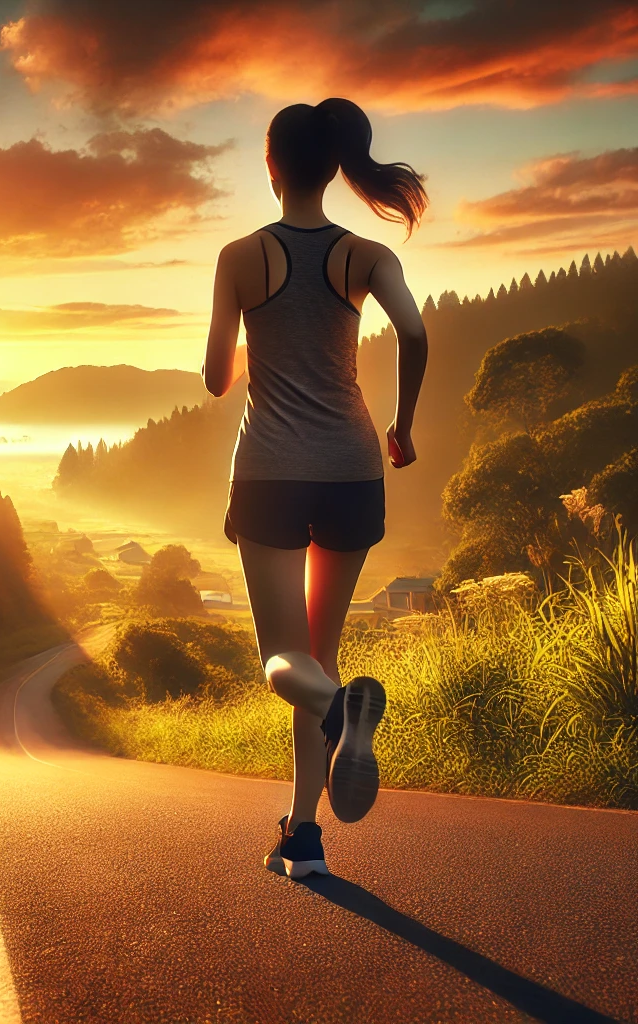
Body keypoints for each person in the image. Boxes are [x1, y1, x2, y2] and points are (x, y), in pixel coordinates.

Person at [201, 98, 428, 879]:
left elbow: (212, 377)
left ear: (270, 166)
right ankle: (304, 835)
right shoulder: (366, 255)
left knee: (285, 663)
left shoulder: (240, 255)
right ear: (333, 167)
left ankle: (337, 713)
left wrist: (252, 341)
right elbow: (416, 332)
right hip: (353, 468)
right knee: (321, 652)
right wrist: (403, 427)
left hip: (268, 470)